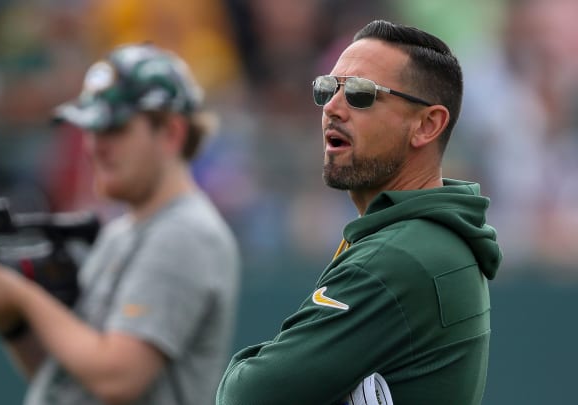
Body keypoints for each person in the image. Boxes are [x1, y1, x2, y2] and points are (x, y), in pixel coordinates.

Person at [215, 20, 502, 405]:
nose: (332, 107)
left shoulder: (401, 256)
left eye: (360, 94)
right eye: (327, 89)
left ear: (426, 125)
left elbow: (245, 395)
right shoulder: (426, 238)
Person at [0, 43, 241, 405]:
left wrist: (22, 296)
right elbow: (71, 379)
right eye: (90, 128)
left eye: (114, 127)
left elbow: (117, 378)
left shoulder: (185, 232)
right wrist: (12, 323)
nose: (94, 146)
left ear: (171, 133)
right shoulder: (123, 230)